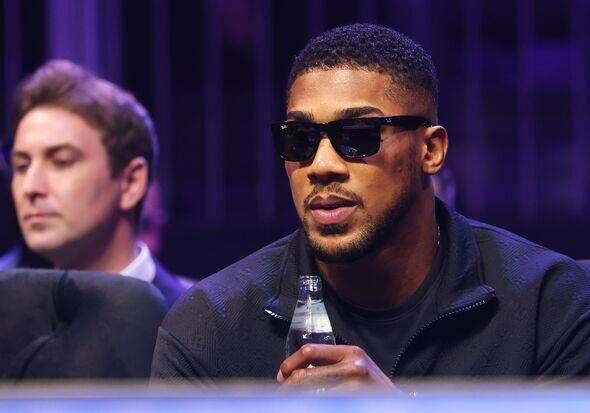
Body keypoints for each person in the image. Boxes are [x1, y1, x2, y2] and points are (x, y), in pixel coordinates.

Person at [151, 24, 590, 389]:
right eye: (300, 140)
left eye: (358, 136)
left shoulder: (547, 305)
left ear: (431, 151)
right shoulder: (211, 327)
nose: (321, 166)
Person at [7, 60, 187, 308]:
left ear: (130, 182)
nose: (30, 187)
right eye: (21, 166)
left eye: (61, 161)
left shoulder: (196, 324)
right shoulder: (13, 317)